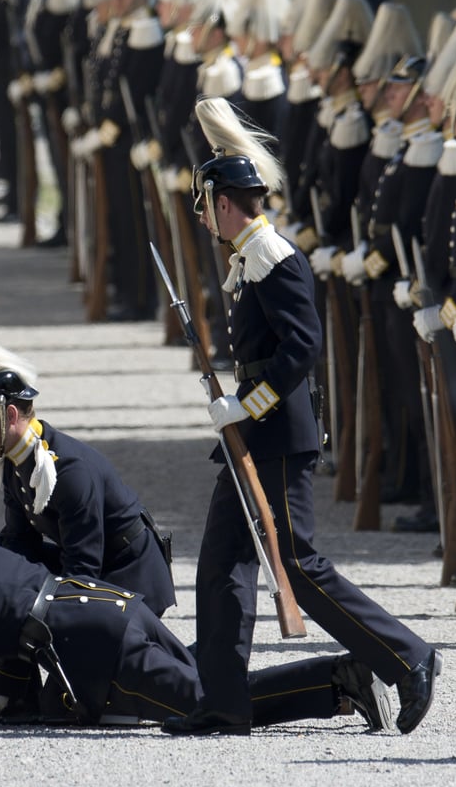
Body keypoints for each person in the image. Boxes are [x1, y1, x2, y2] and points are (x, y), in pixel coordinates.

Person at [162, 98, 441, 737]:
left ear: (226, 202)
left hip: (276, 437)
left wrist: (247, 405)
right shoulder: (249, 254)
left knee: (301, 570)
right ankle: (225, 701)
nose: (204, 215)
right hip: (253, 436)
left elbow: (301, 348)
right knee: (222, 561)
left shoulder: (273, 257)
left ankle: (408, 657)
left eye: (207, 204)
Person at [0, 541, 393, 732]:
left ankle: (338, 680)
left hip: (93, 646)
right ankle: (340, 678)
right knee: (205, 679)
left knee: (210, 704)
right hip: (109, 604)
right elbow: (16, 627)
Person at [0, 312, 176, 616]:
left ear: (9, 416)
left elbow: (84, 569)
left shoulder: (69, 471)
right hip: (90, 565)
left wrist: (41, 610)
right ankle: (6, 666)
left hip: (127, 576)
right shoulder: (16, 460)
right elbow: (20, 544)